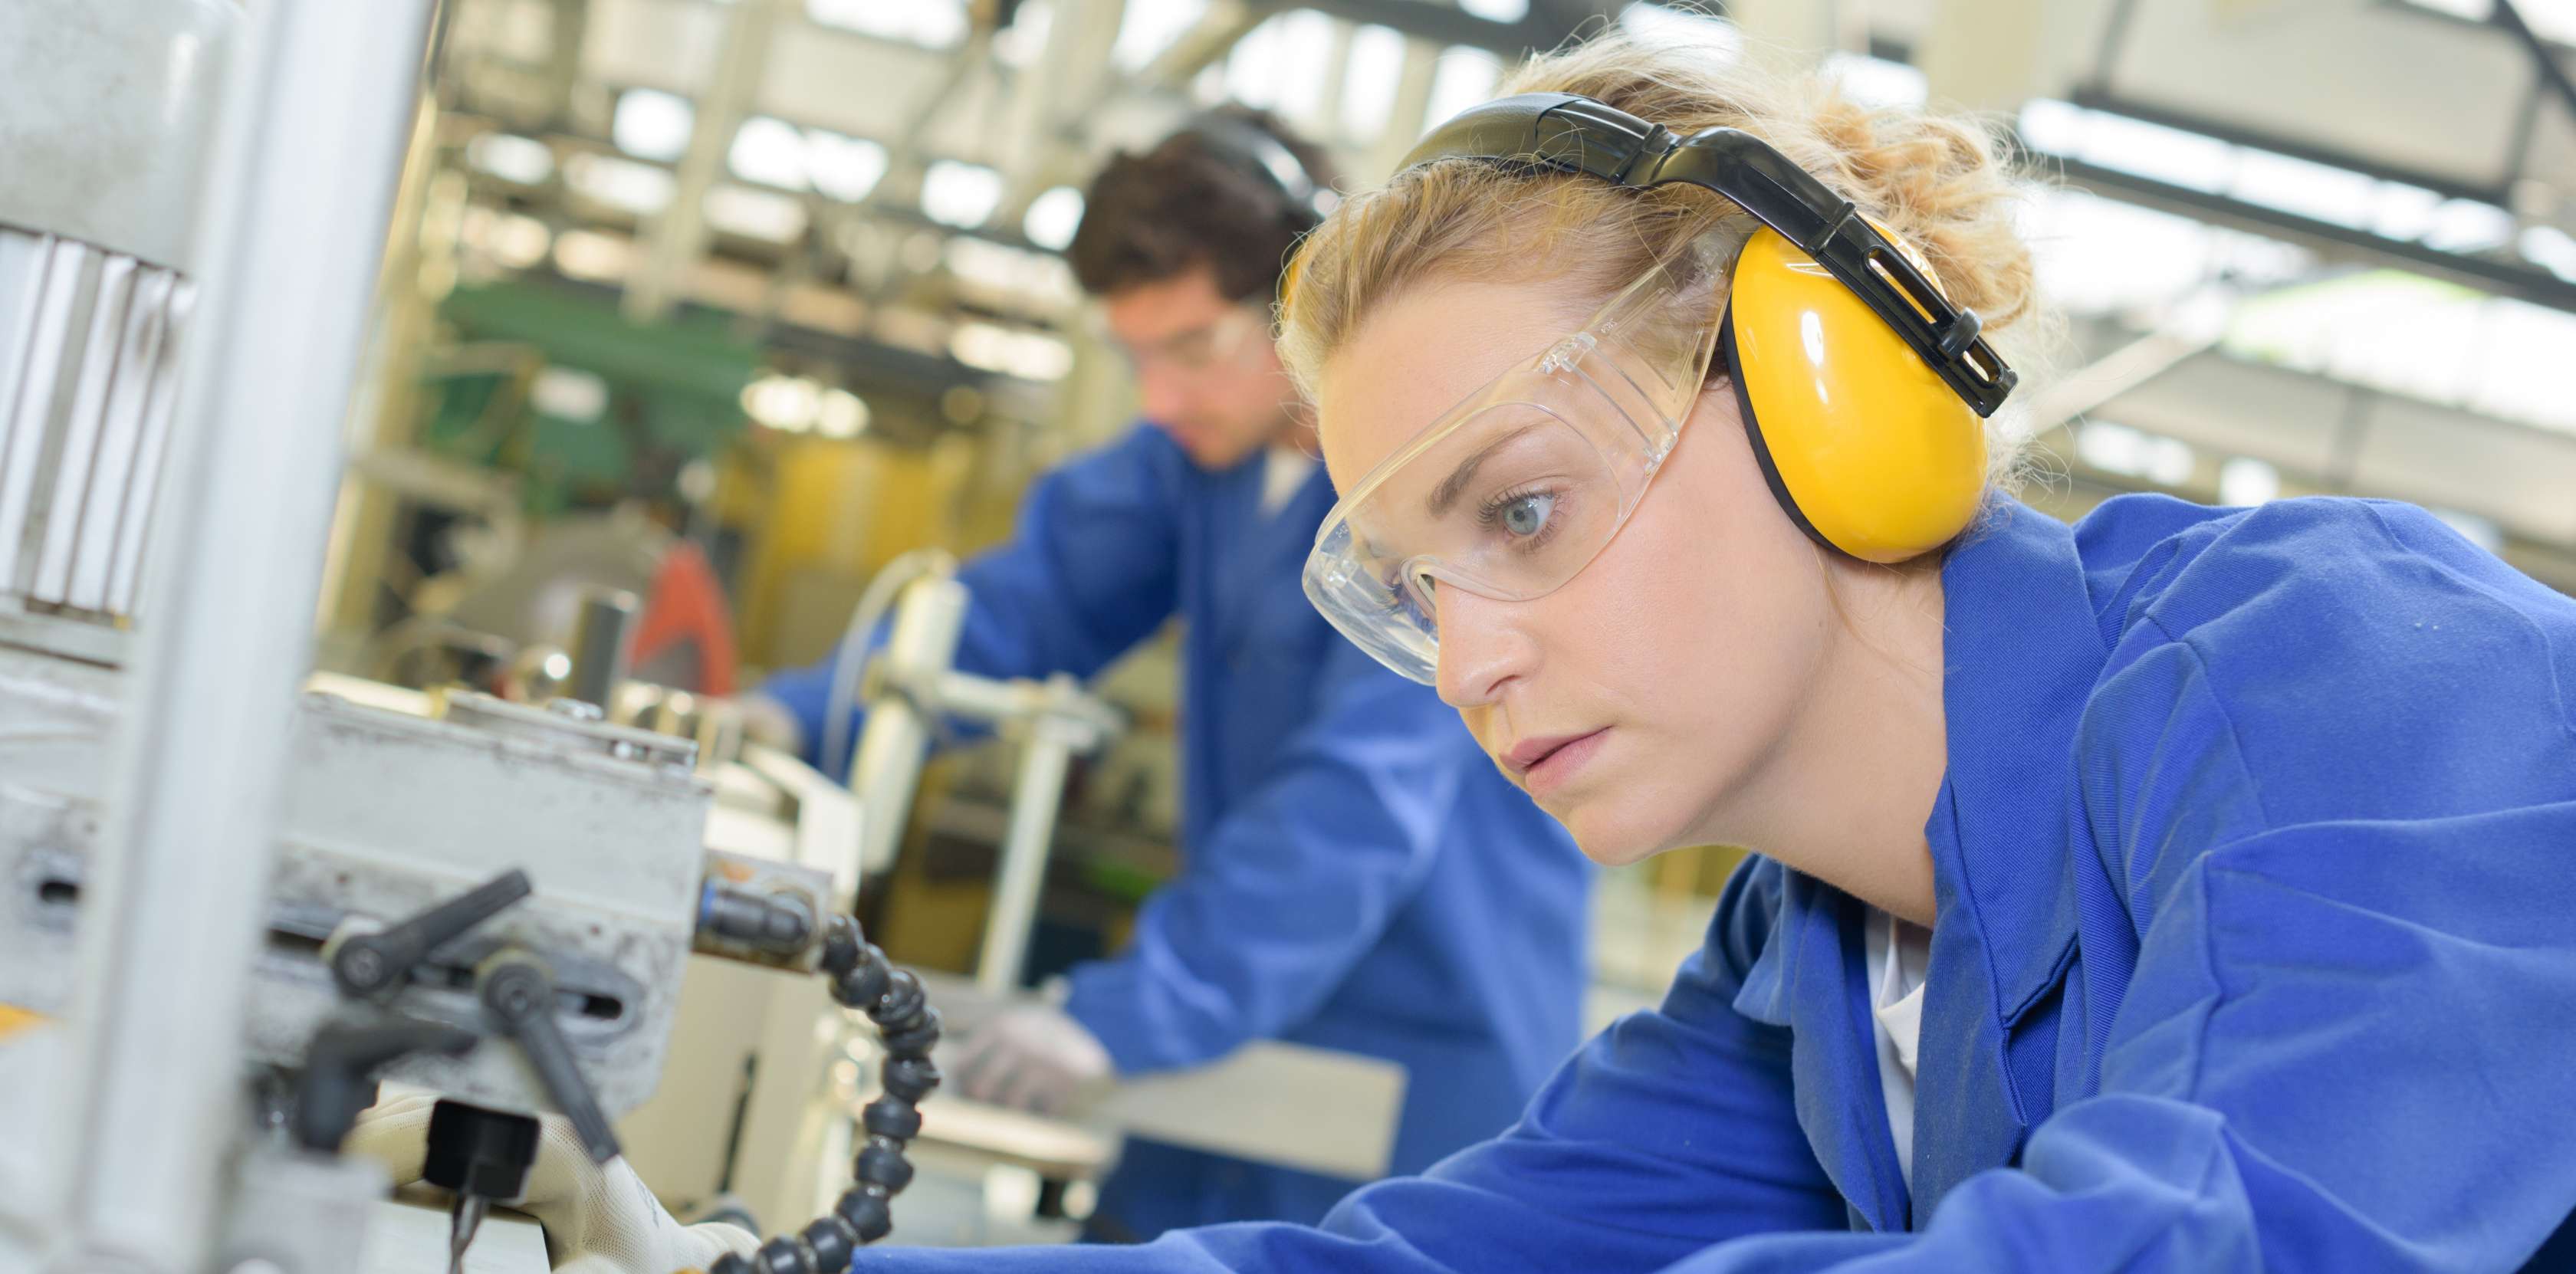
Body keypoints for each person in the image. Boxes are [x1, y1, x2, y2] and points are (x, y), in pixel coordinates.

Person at [362, 30, 2576, 1274]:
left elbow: (2210, 1245)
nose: (1469, 653)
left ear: (1837, 389)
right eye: (1411, 585)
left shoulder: (2344, 675)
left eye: (1518, 511)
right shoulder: (1802, 975)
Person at [741, 108, 1595, 1239]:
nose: (1161, 397)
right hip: (1220, 1035)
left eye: (1192, 350)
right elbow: (1024, 604)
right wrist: (786, 721)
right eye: (1135, 355)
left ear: (1309, 297)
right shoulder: (1199, 471)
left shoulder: (1437, 495)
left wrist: (1138, 1011)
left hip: (1411, 1066)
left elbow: (1352, 807)